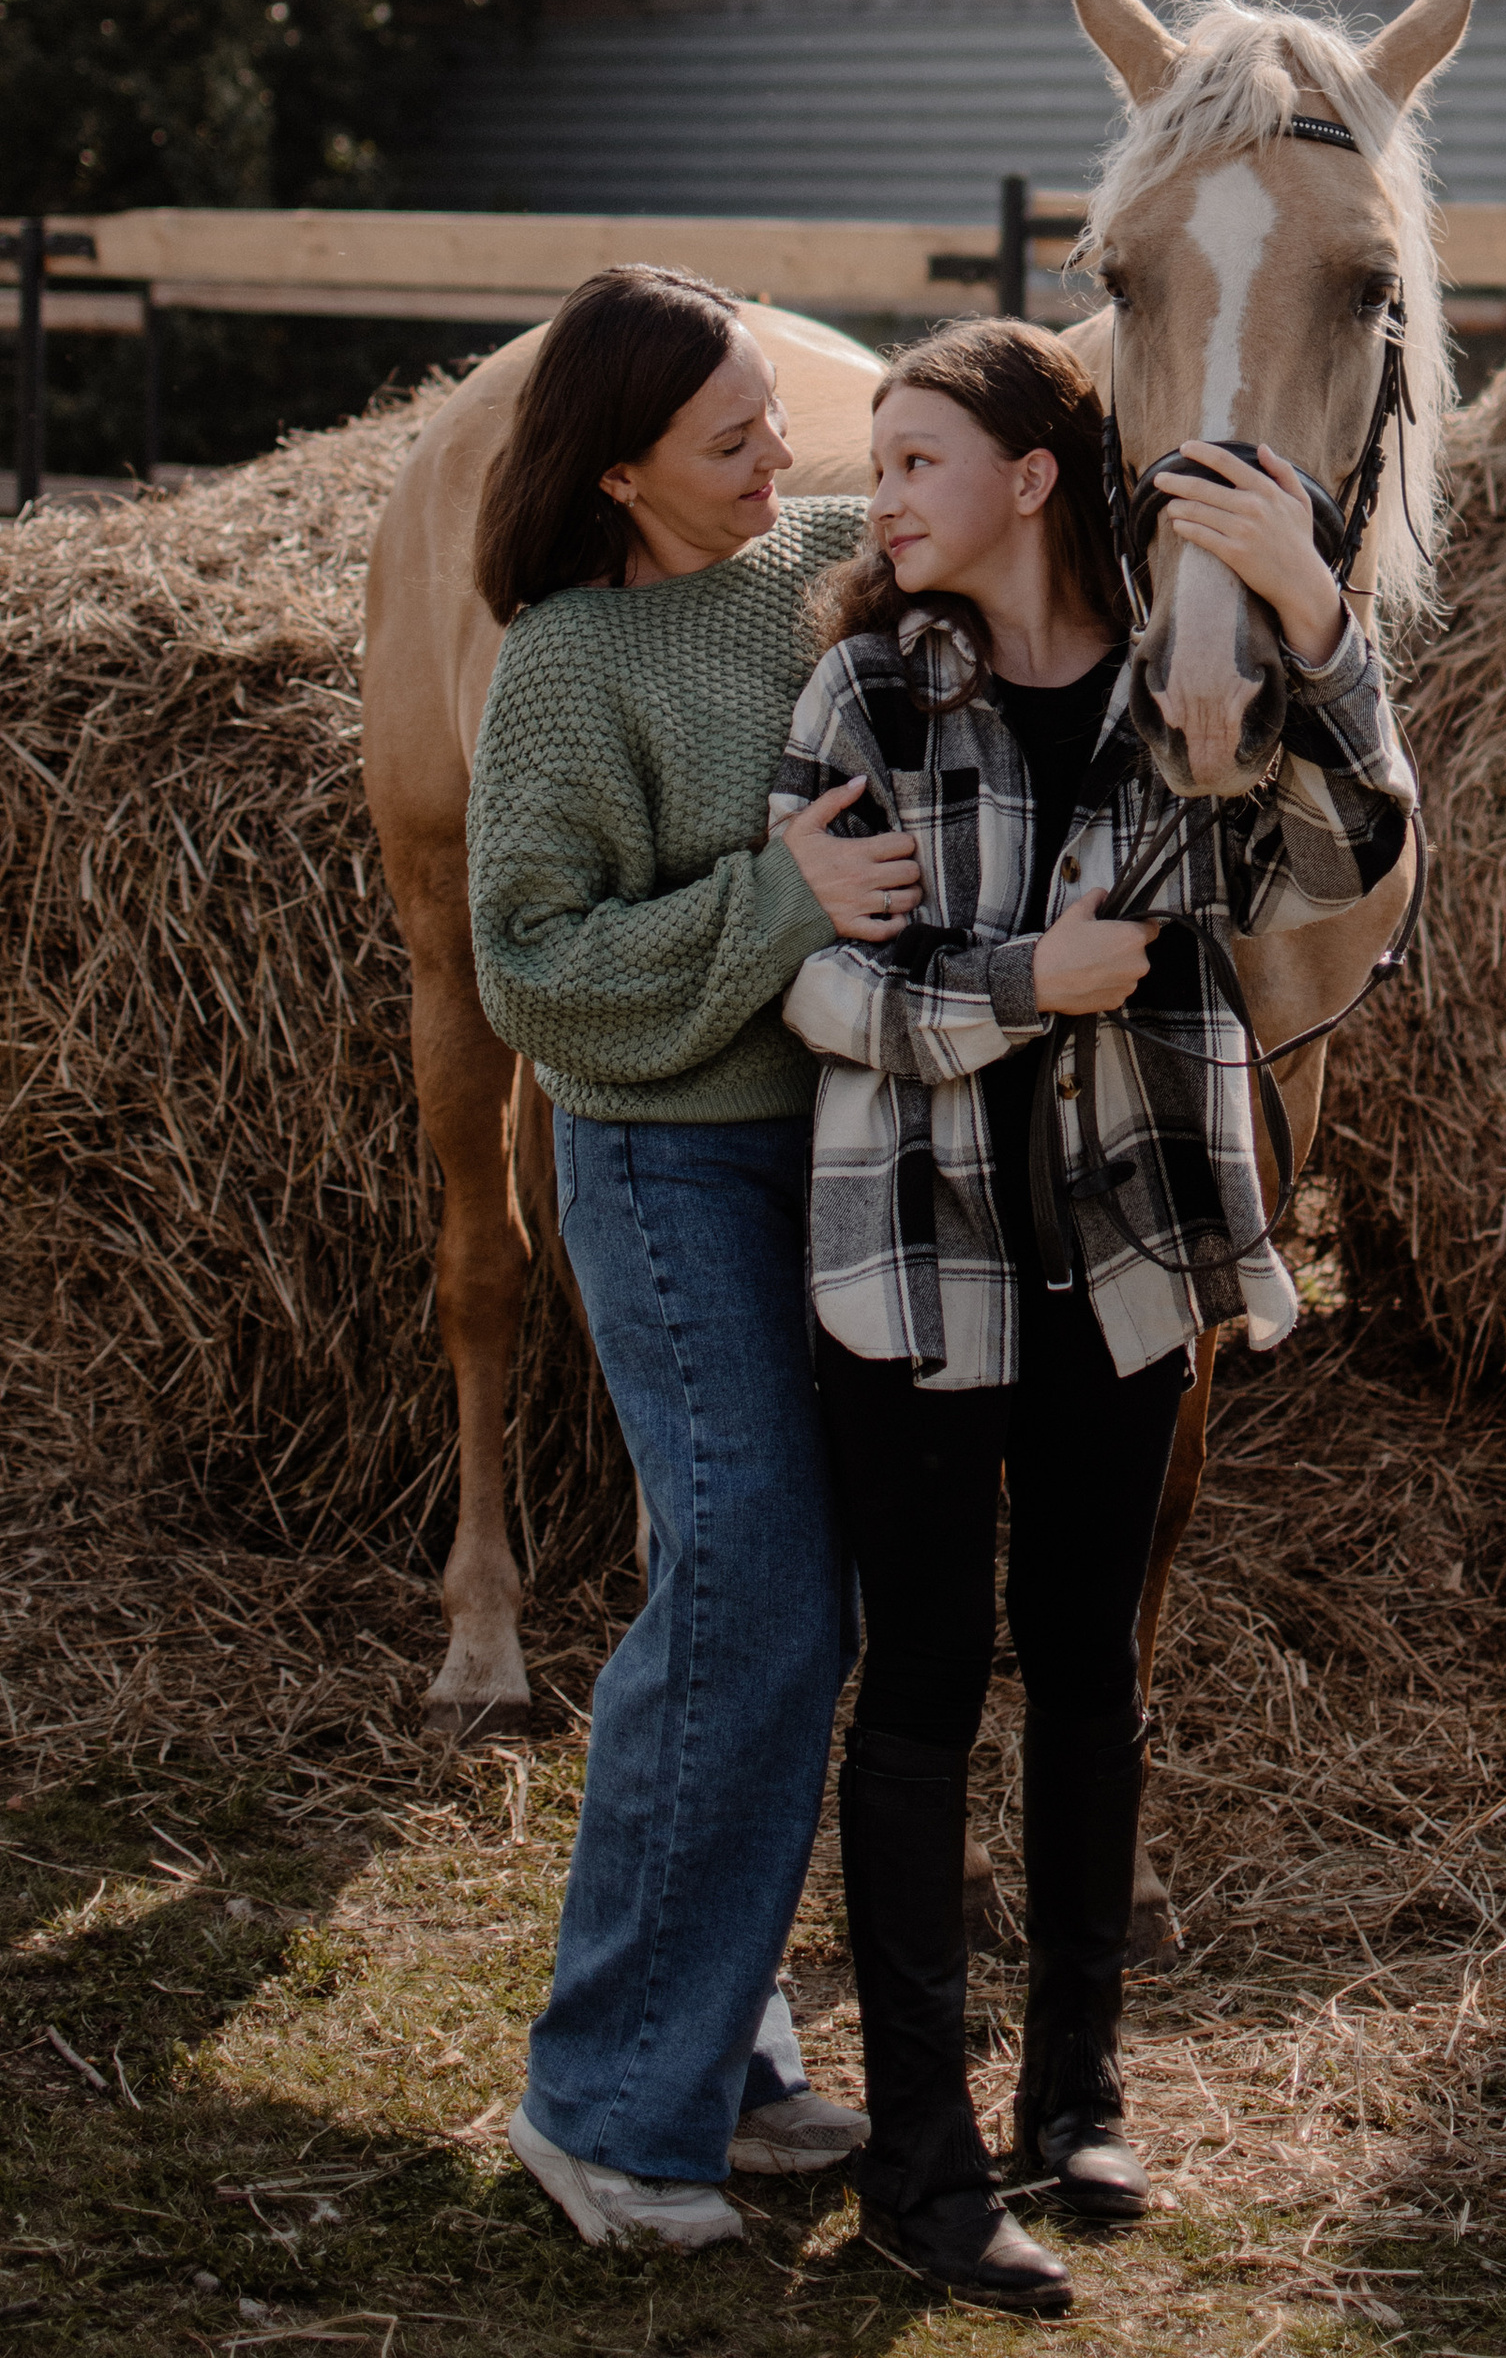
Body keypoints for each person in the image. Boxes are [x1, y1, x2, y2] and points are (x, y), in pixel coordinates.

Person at [769, 317, 1412, 2321]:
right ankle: (920, 2161)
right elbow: (813, 995)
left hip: (1127, 1259)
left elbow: (1346, 855)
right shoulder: (862, 693)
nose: (871, 499)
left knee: (1087, 1666)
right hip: (919, 1264)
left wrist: (1321, 622)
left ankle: (1073, 2089)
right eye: (873, 467)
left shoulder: (1179, 697)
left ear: (1033, 475)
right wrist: (1013, 992)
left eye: (909, 460)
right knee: (926, 1684)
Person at [465, 264, 927, 2254]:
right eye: (733, 439)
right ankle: (598, 2102)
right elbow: (532, 969)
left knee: (785, 1605)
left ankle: (718, 2060)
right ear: (625, 466)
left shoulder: (817, 562)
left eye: (778, 422)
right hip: (659, 1177)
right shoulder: (569, 664)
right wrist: (780, 898)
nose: (780, 464)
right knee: (746, 1588)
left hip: (830, 1166)